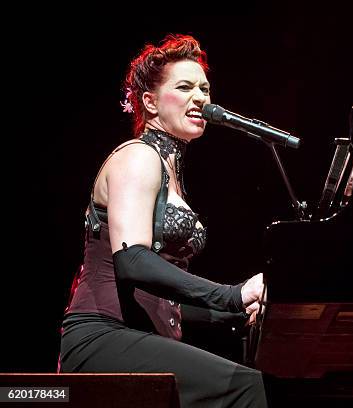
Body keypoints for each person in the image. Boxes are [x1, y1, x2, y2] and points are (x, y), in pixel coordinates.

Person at [59, 34, 268, 407]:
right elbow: (131, 261)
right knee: (244, 386)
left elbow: (157, 301)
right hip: (102, 337)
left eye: (204, 88)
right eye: (185, 87)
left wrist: (231, 315)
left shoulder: (173, 173)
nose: (200, 98)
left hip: (134, 334)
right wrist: (232, 295)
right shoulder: (137, 158)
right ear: (150, 103)